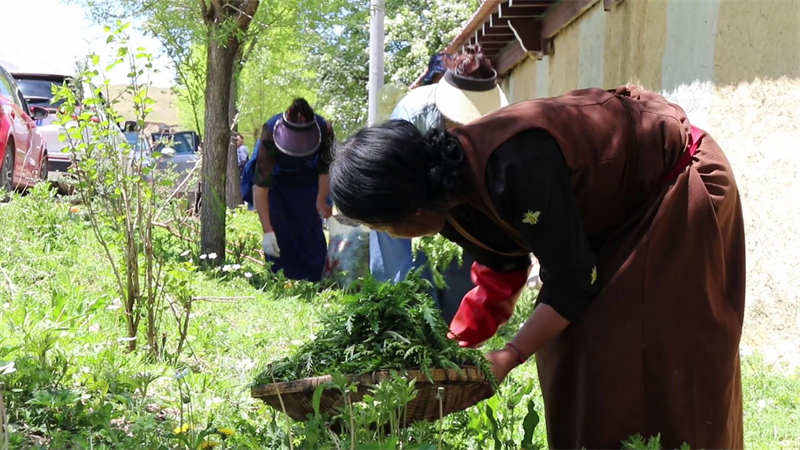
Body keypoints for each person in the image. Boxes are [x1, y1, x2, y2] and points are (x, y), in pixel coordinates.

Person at [330, 85, 745, 449]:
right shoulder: (446, 196)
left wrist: (510, 355)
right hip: (610, 215)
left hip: (671, 184)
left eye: (382, 225)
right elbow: (501, 265)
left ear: (411, 209)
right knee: (568, 357)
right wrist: (451, 350)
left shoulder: (515, 165)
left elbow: (574, 281)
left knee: (635, 350)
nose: (389, 234)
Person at [371, 47, 509, 323]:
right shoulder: (413, 111)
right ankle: (406, 317)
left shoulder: (497, 107)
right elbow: (394, 170)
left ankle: (453, 324)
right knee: (407, 267)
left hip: (462, 192)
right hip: (407, 190)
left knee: (458, 264)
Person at [252, 98, 334, 282]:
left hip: (309, 182)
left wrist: (321, 200)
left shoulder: (324, 129)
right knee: (281, 234)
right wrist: (267, 231)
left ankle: (313, 280)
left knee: (311, 231)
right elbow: (261, 185)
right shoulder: (270, 131)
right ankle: (281, 280)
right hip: (278, 183)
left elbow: (325, 169)